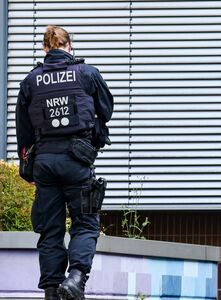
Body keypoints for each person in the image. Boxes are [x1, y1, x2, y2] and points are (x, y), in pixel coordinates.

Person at [15, 25, 113, 300]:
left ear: (45, 49)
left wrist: (28, 167)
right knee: (85, 223)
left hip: (45, 163)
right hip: (77, 160)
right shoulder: (87, 74)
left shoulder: (30, 81)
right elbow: (106, 108)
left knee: (51, 229)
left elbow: (23, 129)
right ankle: (76, 278)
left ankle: (50, 290)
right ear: (69, 47)